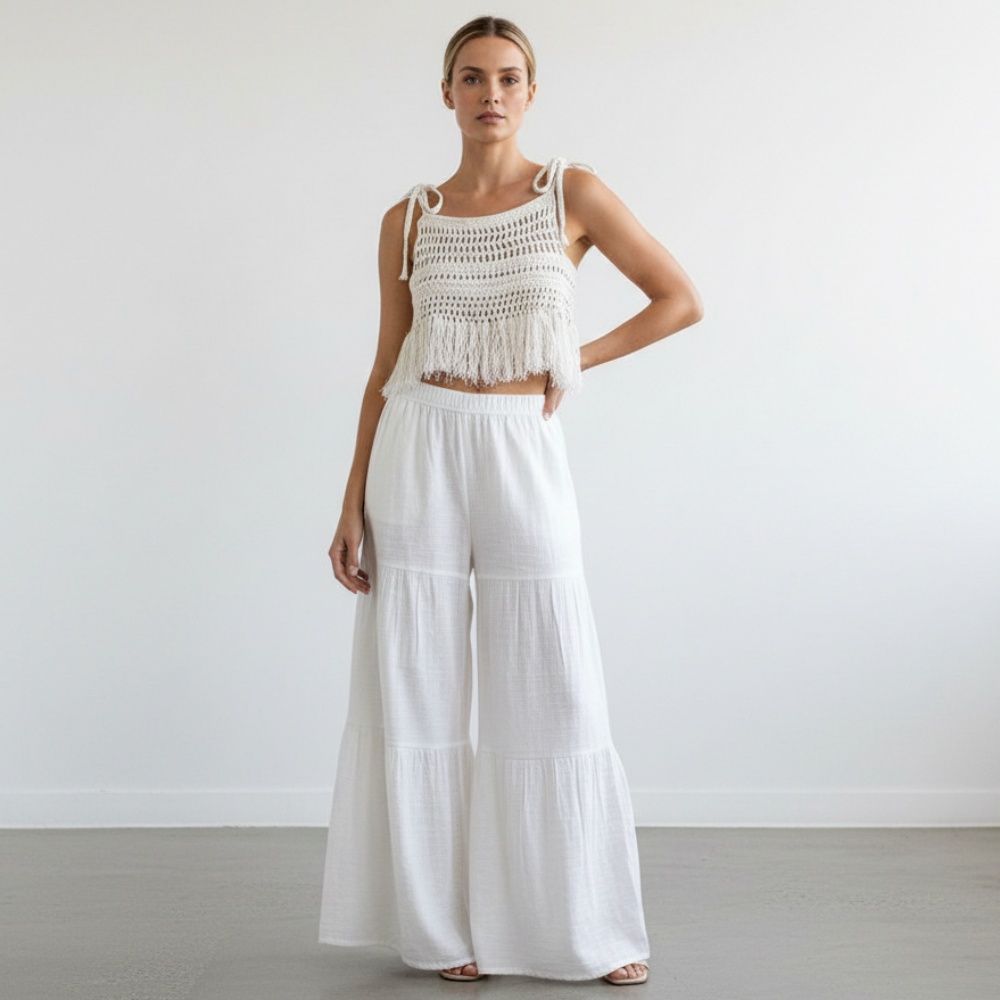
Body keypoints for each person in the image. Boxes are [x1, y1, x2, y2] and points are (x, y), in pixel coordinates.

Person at [318, 14, 704, 987]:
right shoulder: (408, 218)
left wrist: (571, 360)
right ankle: (445, 929)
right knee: (417, 685)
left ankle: (589, 926)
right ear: (446, 92)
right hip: (418, 440)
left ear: (531, 93)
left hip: (519, 443)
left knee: (553, 677)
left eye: (507, 77)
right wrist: (350, 501)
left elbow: (678, 298)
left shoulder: (570, 193)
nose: (490, 94)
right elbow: (384, 364)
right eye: (471, 77)